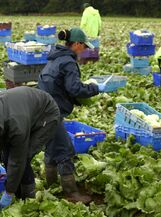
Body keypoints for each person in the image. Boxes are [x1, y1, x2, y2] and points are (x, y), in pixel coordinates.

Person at [0, 87, 60, 209]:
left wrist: (8, 193)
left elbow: (18, 160)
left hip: (45, 115)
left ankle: (29, 197)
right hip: (21, 111)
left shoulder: (15, 127)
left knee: (24, 156)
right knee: (7, 156)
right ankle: (17, 191)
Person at [38, 28, 104, 203]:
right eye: (83, 46)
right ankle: (72, 193)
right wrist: (96, 88)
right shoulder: (68, 62)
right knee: (65, 150)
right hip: (53, 111)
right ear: (76, 44)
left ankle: (51, 185)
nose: (84, 50)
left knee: (52, 148)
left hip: (43, 110)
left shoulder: (55, 58)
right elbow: (74, 88)